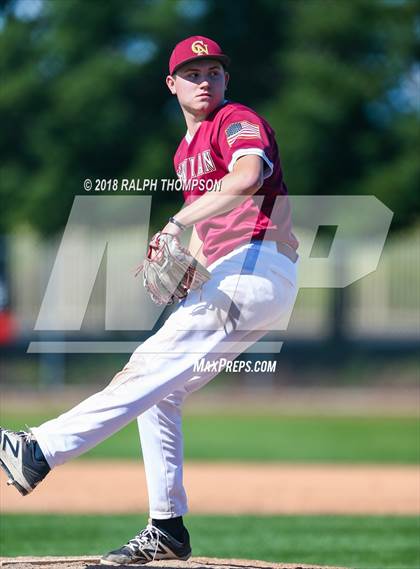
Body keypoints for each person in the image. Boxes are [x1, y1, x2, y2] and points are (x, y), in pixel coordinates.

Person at [0, 36, 299, 565]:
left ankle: (38, 451)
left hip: (257, 264)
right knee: (162, 390)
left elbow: (248, 177)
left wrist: (175, 223)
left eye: (212, 71)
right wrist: (192, 267)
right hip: (236, 274)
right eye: (192, 73)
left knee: (146, 369)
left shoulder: (235, 120)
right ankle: (167, 528)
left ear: (226, 80)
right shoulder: (185, 153)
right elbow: (210, 224)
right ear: (172, 84)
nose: (203, 80)